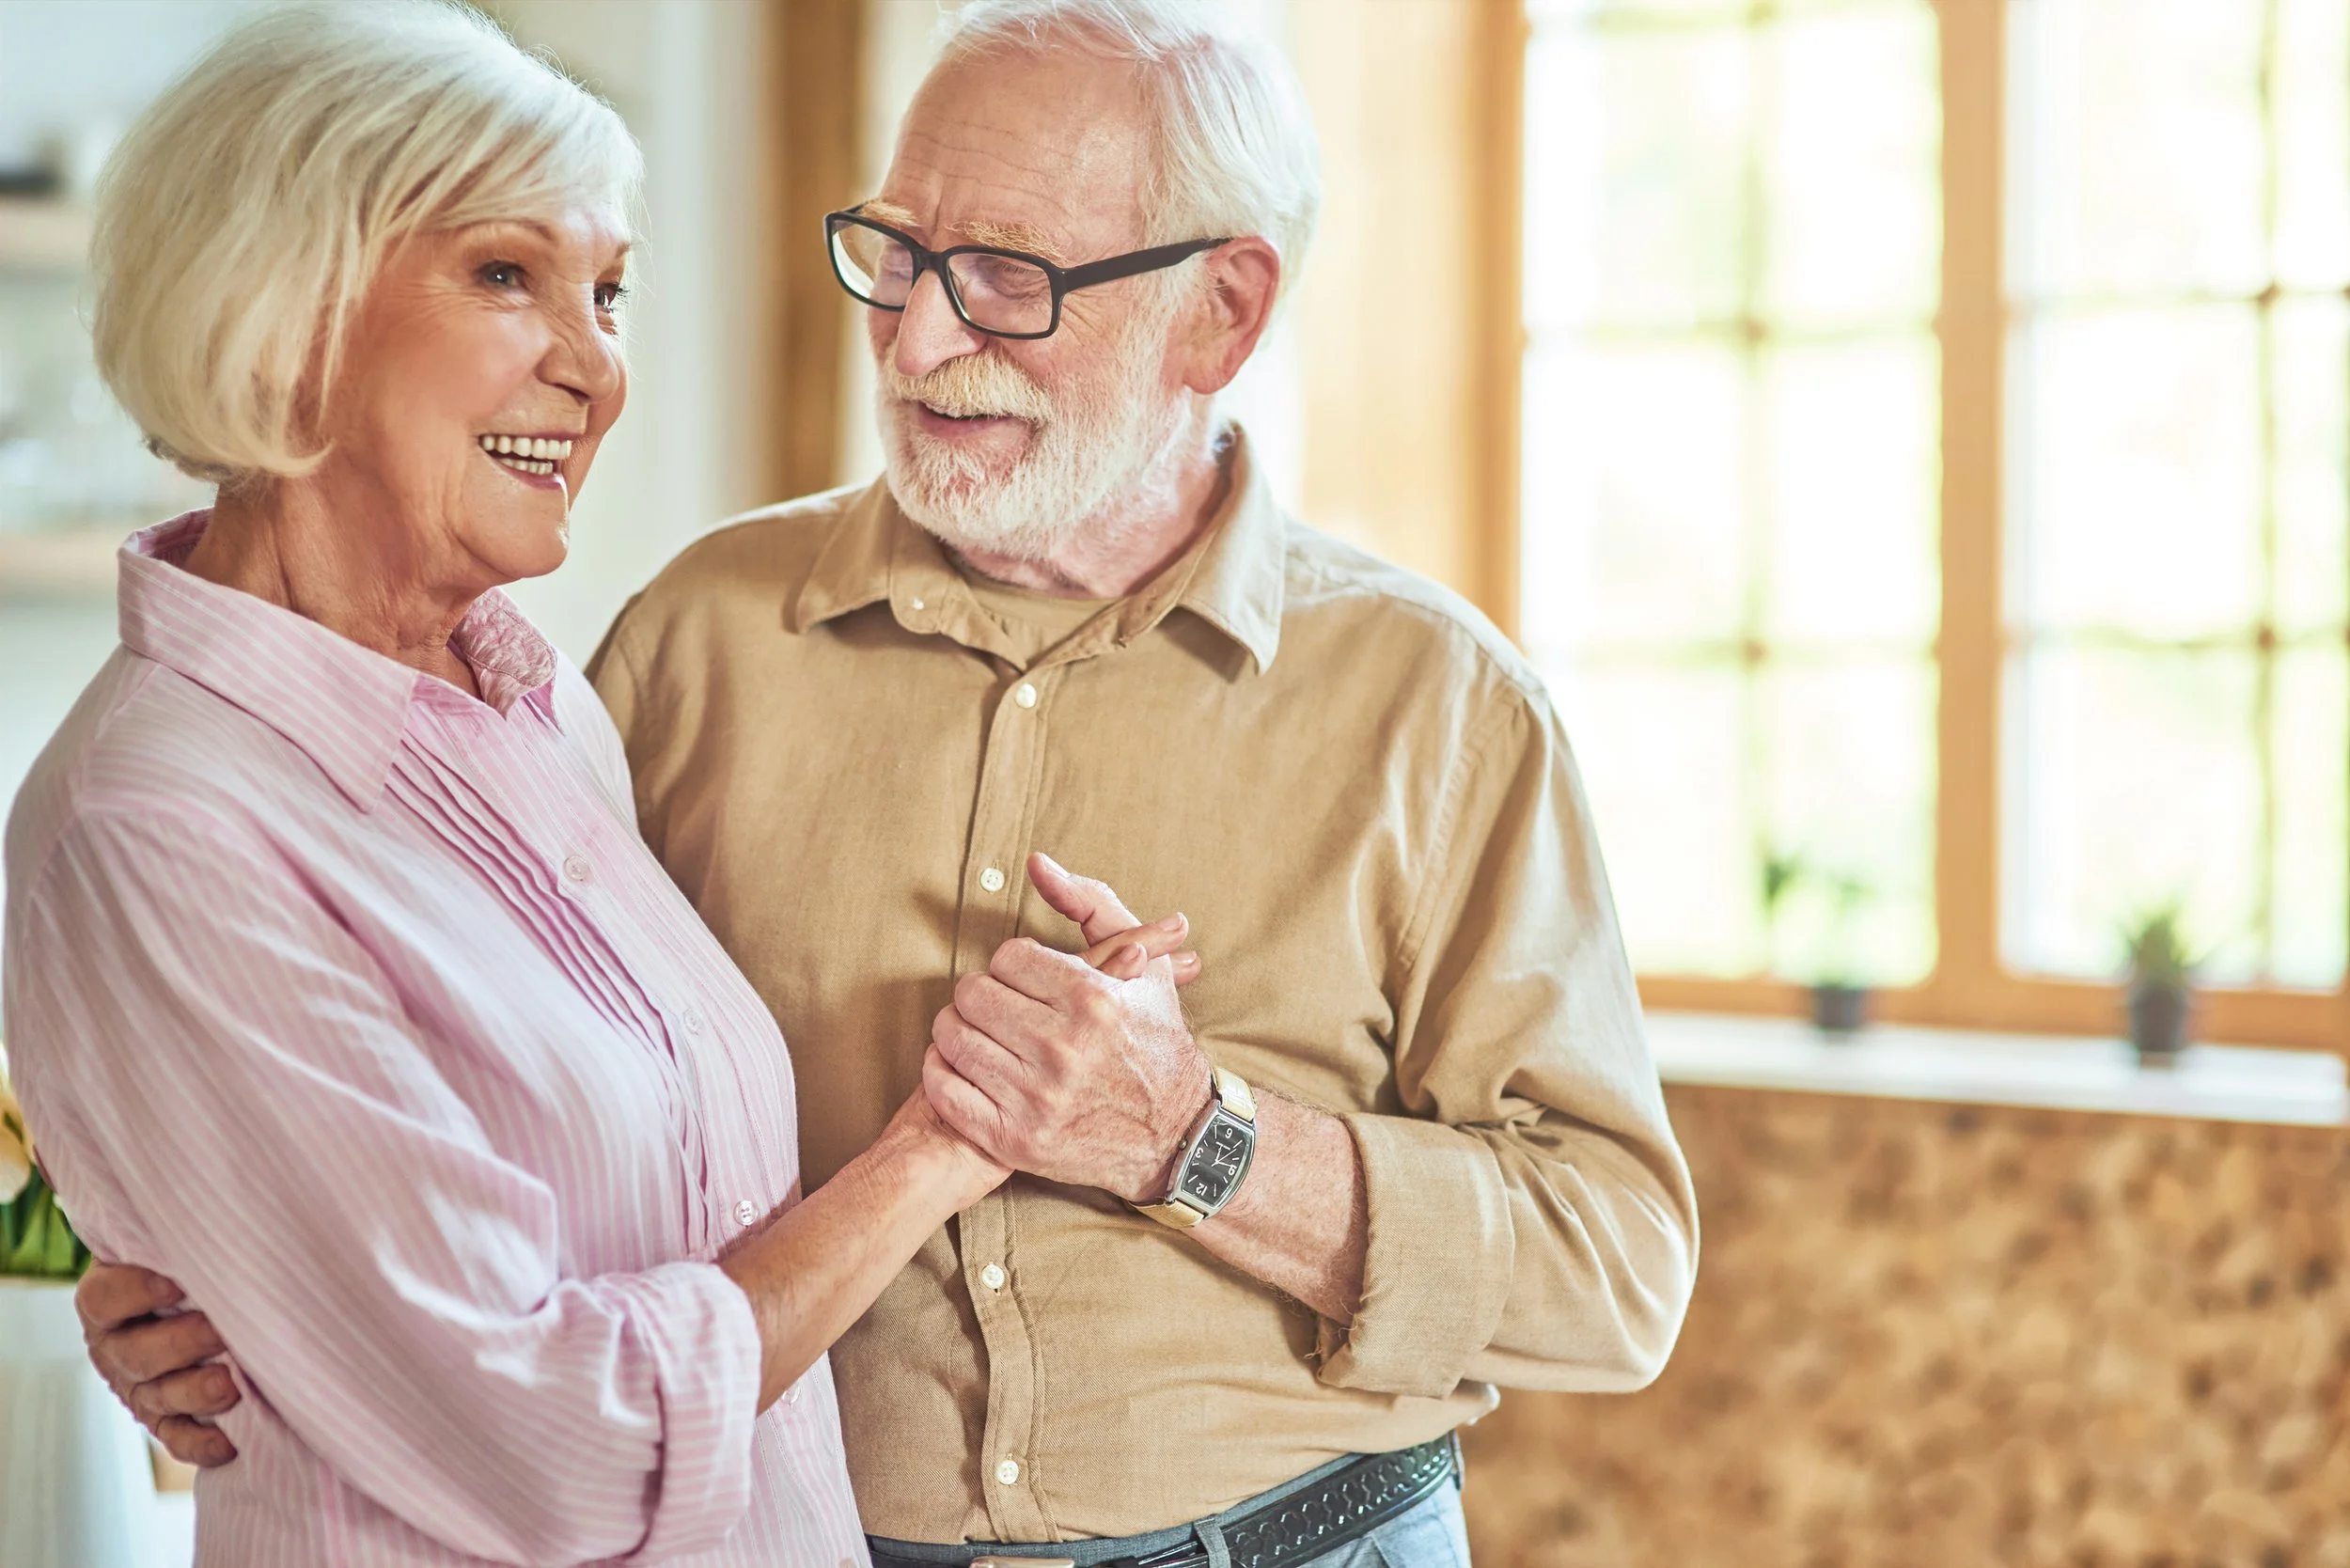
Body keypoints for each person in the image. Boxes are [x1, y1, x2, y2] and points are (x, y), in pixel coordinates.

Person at [88, 3, 1703, 1566]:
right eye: (899, 253)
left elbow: (1615, 1270)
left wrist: (1194, 1140)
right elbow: (455, 1080)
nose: (921, 338)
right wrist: (238, 1291)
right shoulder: (691, 645)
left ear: (1221, 313)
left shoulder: (1438, 705)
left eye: (1005, 276)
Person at [6, 6, 1195, 1564]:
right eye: (507, 274)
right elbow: (551, 1448)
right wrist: (958, 1139)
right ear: (285, 308)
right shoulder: (153, 826)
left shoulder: (535, 706)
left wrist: (263, 1278)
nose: (594, 366)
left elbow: (570, 1208)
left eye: (611, 292)